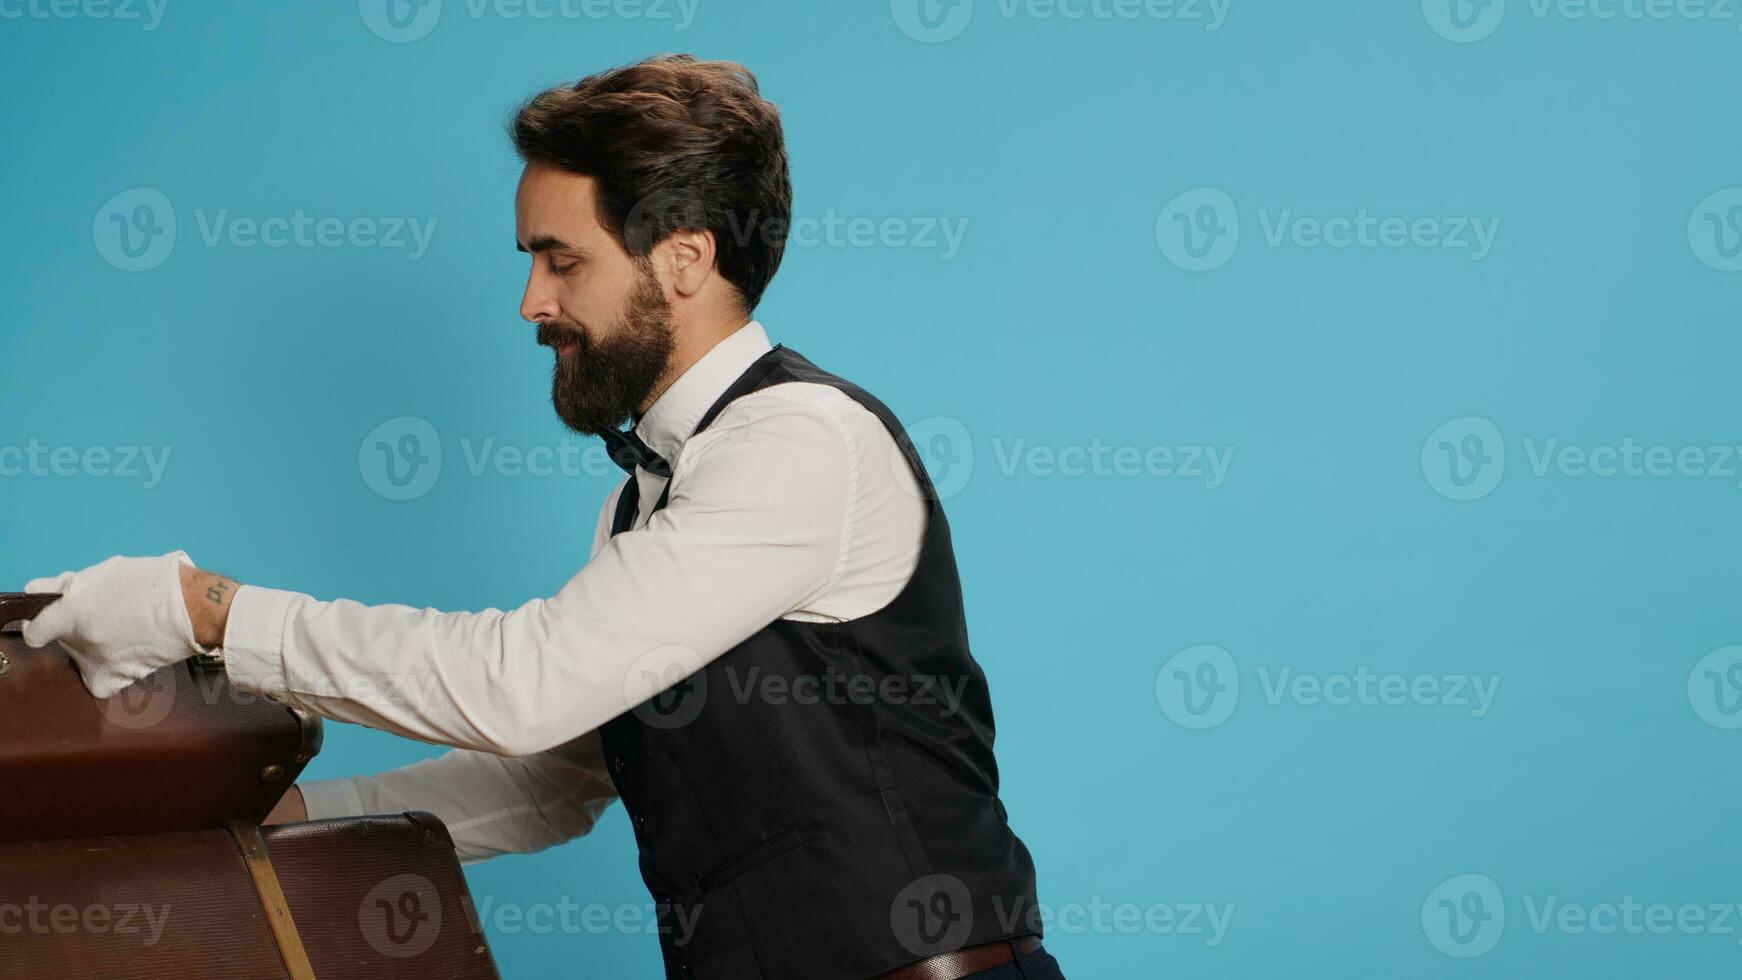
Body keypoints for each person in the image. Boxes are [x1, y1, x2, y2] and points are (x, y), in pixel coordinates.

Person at [21, 54, 1063, 980]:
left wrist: (205, 610)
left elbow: (521, 685)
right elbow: (556, 775)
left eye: (562, 260)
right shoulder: (644, 496)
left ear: (684, 260)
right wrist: (278, 820)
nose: (531, 300)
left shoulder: (797, 443)